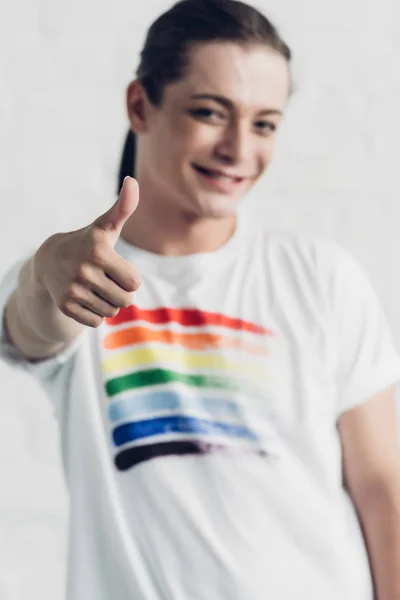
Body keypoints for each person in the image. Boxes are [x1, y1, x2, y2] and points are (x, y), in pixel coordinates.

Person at [1, 0, 400, 598]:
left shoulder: (321, 277)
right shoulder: (81, 277)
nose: (239, 147)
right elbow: (36, 326)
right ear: (141, 105)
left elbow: (381, 488)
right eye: (211, 113)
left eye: (265, 123)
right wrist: (47, 269)